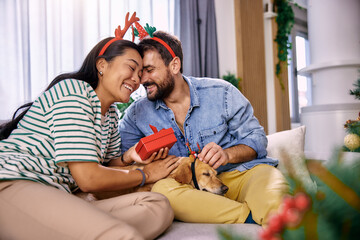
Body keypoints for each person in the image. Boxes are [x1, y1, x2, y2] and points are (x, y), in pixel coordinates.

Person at [0, 14, 179, 240]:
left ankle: (72, 229)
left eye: (141, 73)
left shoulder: (111, 113)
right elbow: (89, 178)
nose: (137, 80)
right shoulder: (74, 93)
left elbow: (106, 164)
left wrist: (130, 157)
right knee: (122, 234)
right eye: (131, 68)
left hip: (60, 195)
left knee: (158, 206)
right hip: (16, 183)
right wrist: (145, 174)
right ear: (102, 65)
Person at [119, 30, 289, 226]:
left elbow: (257, 139)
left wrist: (227, 155)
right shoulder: (136, 114)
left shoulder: (221, 93)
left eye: (150, 70)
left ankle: (273, 220)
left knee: (270, 184)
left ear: (174, 65)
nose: (142, 80)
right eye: (141, 73)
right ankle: (248, 218)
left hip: (239, 174)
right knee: (162, 191)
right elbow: (124, 163)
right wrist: (146, 163)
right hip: (187, 189)